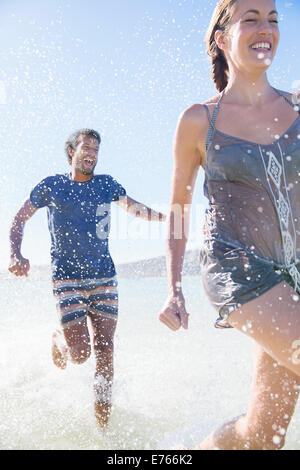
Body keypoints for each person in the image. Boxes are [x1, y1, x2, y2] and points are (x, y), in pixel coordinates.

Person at [159, 0, 300, 450]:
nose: (267, 28)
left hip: (292, 270)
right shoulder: (201, 120)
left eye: (274, 19)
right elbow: (179, 206)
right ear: (223, 38)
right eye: (252, 18)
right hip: (237, 270)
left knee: (261, 436)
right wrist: (174, 288)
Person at [9, 128, 165, 429]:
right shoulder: (52, 186)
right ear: (72, 152)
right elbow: (19, 217)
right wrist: (15, 253)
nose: (92, 154)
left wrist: (165, 218)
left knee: (105, 353)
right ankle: (59, 339)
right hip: (66, 278)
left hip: (104, 277)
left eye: (96, 149)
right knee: (81, 354)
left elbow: (134, 207)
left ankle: (103, 432)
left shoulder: (106, 185)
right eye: (86, 148)